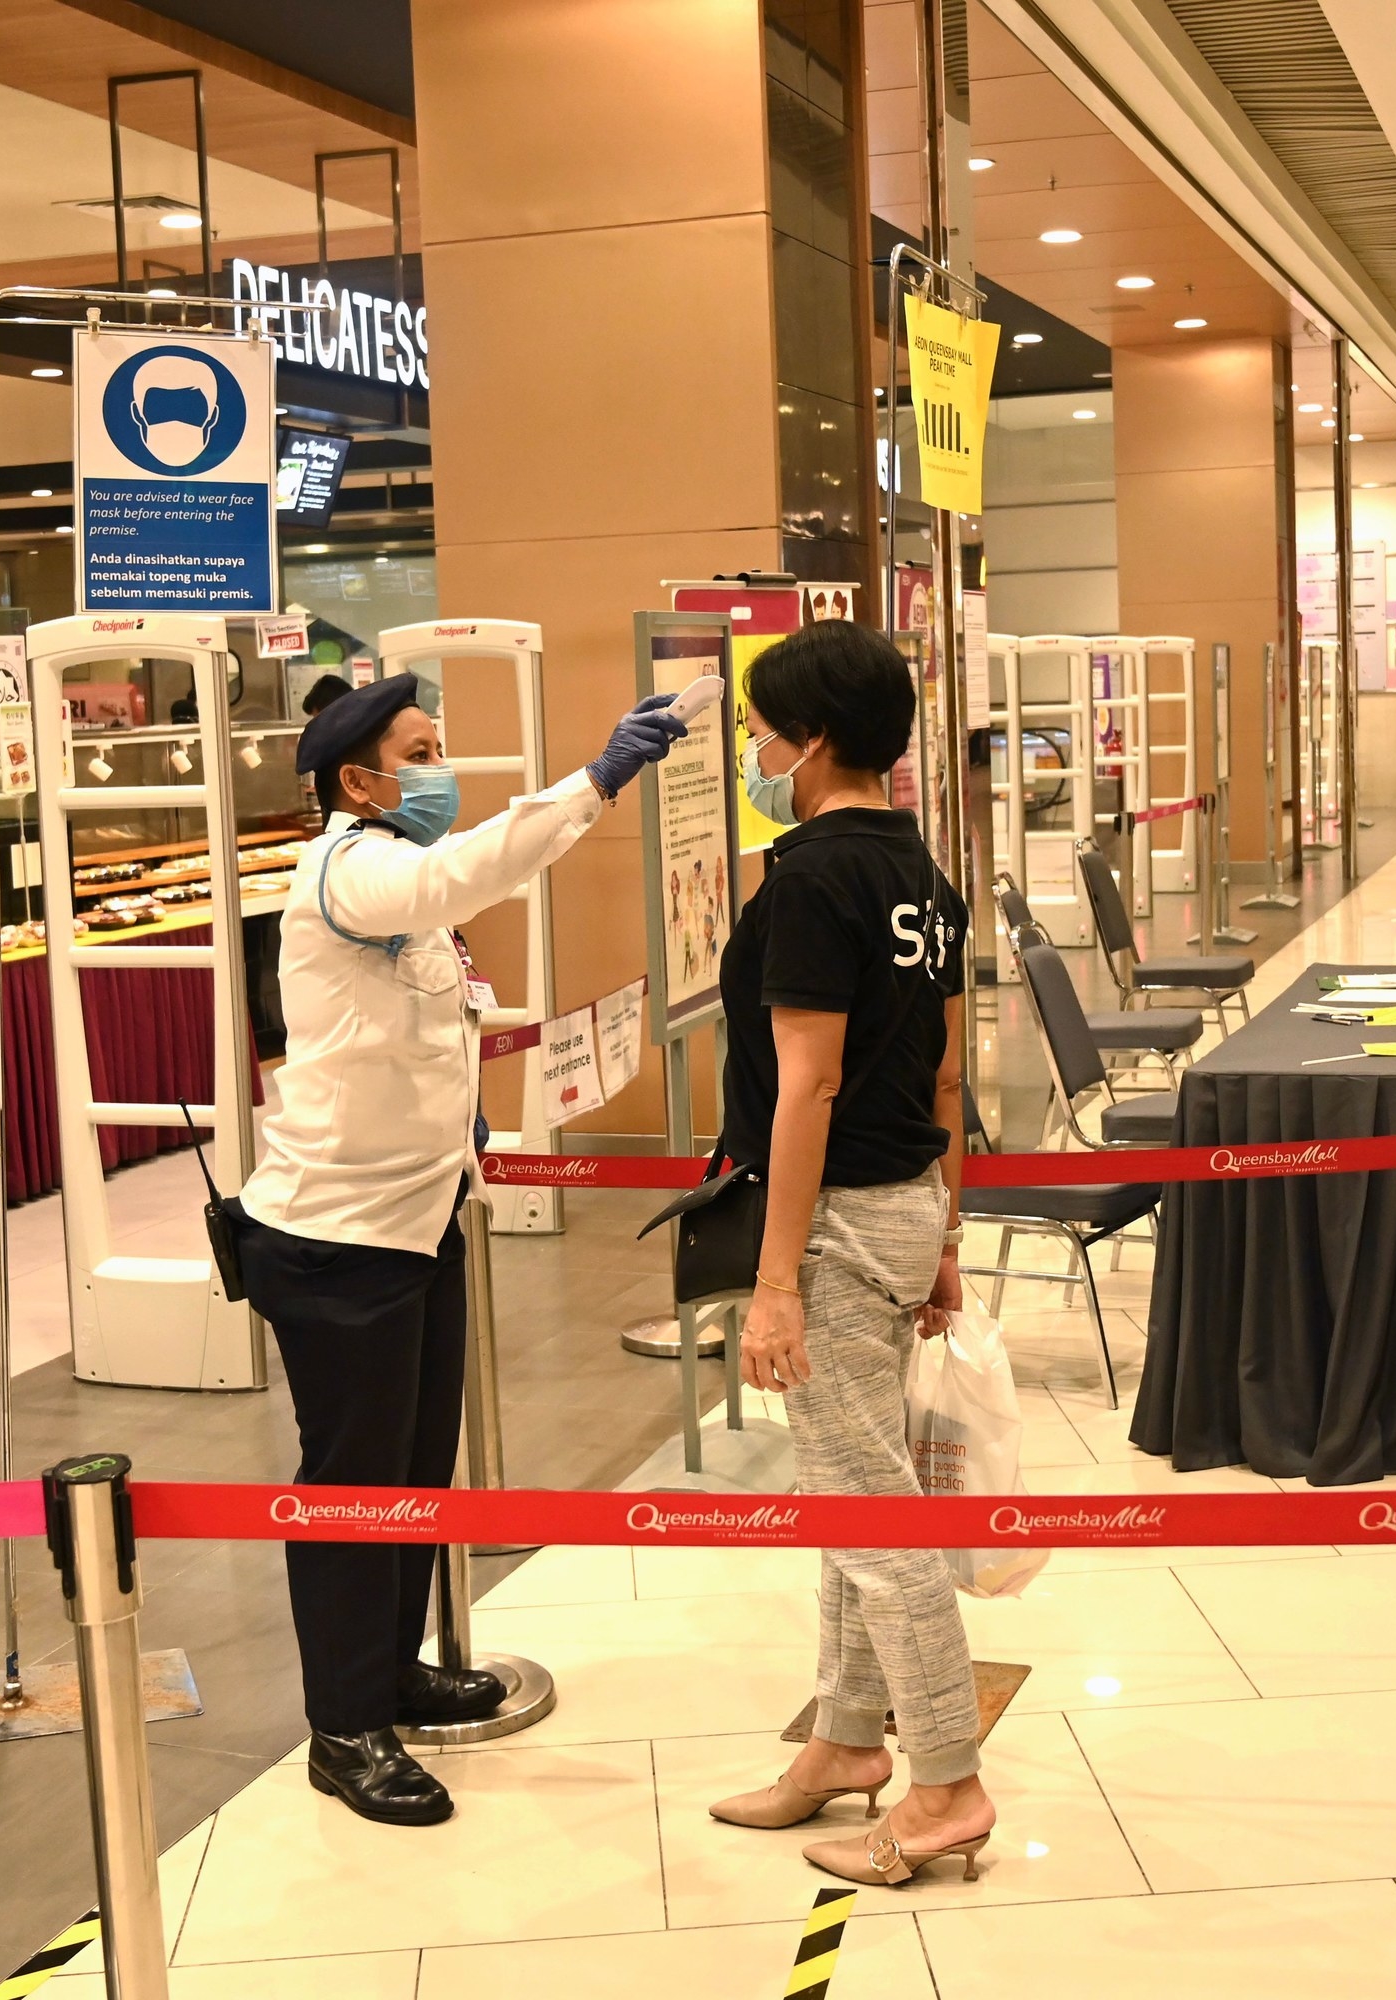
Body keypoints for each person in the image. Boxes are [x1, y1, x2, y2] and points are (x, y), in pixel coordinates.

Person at [234, 671, 702, 1827]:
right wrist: (594, 782)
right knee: (351, 1484)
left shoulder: (398, 884)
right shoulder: (357, 867)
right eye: (422, 750)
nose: (440, 768)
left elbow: (417, 1007)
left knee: (410, 1467)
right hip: (340, 1237)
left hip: (420, 1211)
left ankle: (390, 1671)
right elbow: (464, 866)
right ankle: (344, 1728)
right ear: (358, 779)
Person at [700, 621, 989, 1888]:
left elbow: (806, 1087)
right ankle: (842, 1742)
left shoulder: (812, 878)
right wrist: (946, 1225)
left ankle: (944, 1785)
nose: (756, 748)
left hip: (832, 1216)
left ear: (810, 740)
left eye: (764, 727)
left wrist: (774, 1283)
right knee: (854, 1493)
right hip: (903, 1198)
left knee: (875, 1518)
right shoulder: (920, 865)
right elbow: (942, 1064)